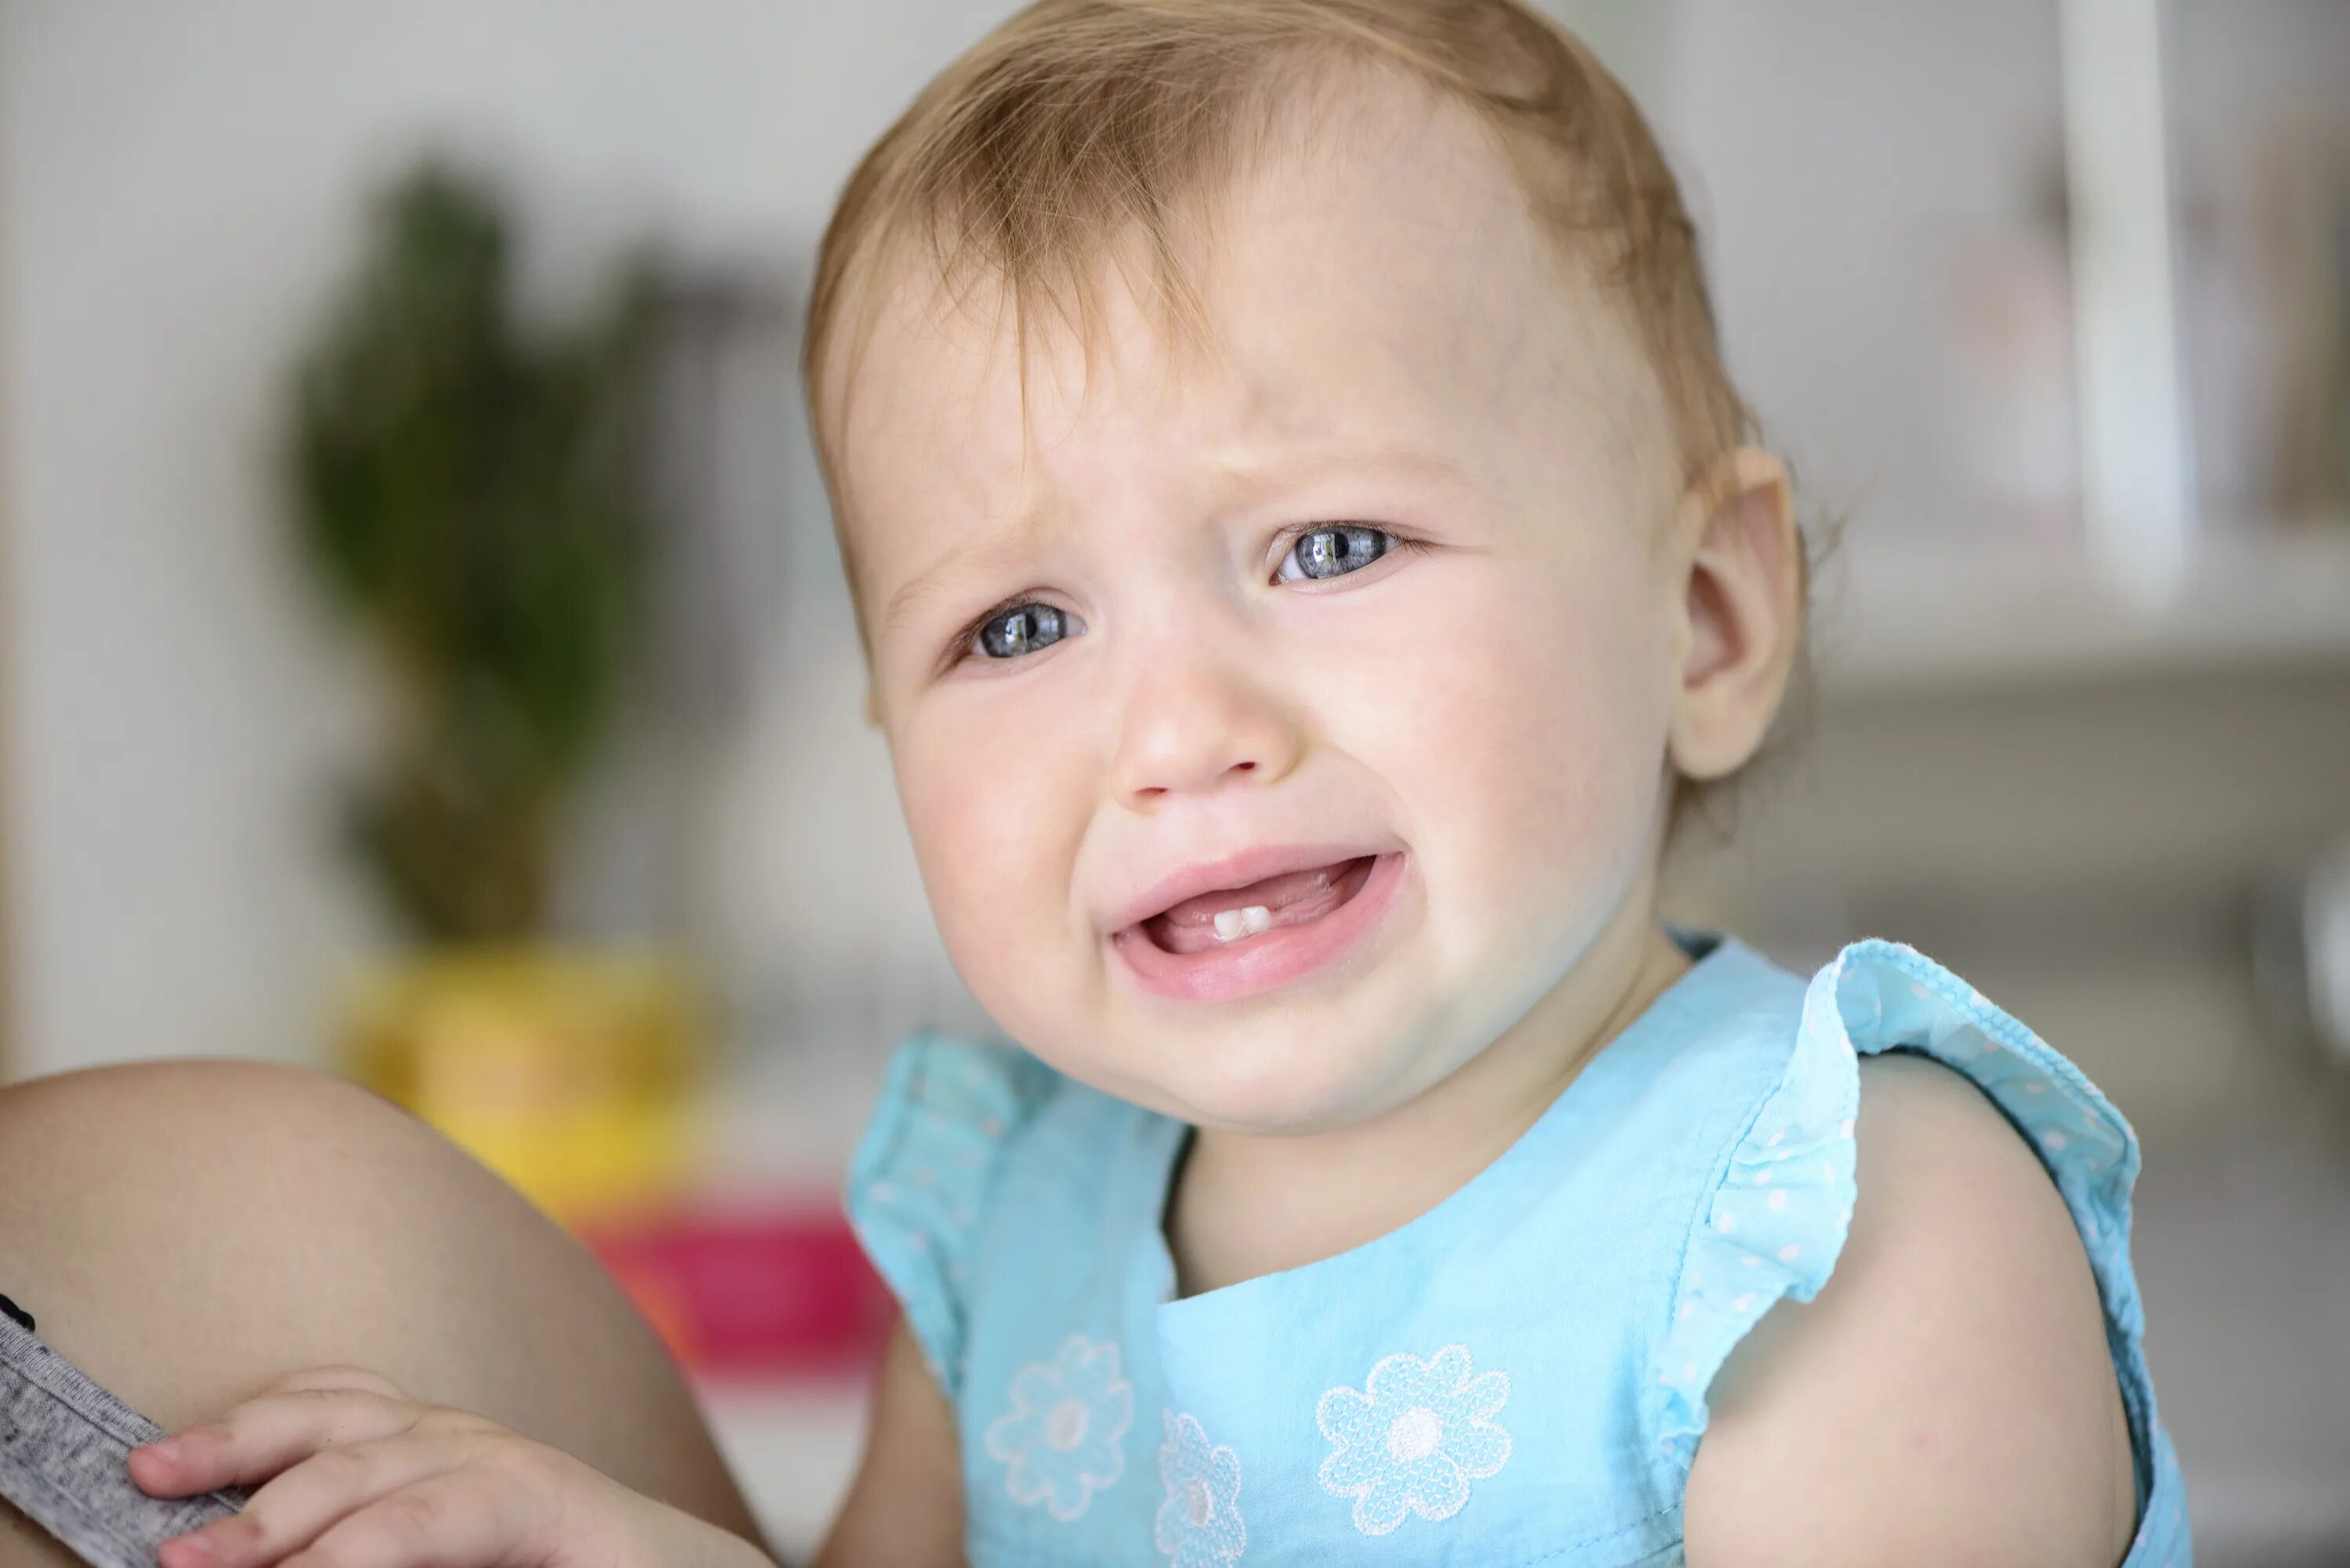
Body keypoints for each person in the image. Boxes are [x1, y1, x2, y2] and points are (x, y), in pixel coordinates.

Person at [0, 2, 2190, 1565]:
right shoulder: (1009, 1219)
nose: (1174, 728)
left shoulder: (1846, 1213)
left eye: (1329, 546)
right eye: (1016, 629)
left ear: (1705, 616)